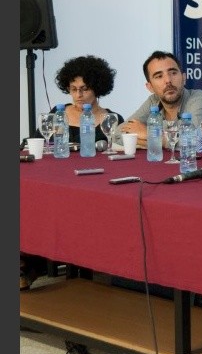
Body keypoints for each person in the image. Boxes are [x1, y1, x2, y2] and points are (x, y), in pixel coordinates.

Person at [20, 55, 124, 290]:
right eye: (73, 89)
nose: (78, 95)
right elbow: (35, 145)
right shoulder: (56, 116)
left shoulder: (112, 120)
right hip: (58, 183)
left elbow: (119, 155)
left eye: (84, 89)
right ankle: (26, 263)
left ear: (97, 88)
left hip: (95, 185)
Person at [119, 51, 202, 148]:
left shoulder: (199, 98)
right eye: (159, 76)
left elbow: (194, 140)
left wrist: (150, 135)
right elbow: (117, 134)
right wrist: (157, 140)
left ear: (184, 78)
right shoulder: (153, 101)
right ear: (150, 87)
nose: (168, 80)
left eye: (173, 73)